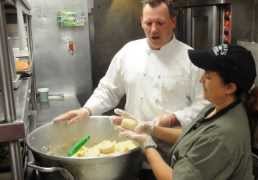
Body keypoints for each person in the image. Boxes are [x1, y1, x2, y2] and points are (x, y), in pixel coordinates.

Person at [54, 0, 208, 179]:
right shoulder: (129, 52)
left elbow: (204, 105)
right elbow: (108, 90)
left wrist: (174, 117)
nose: (153, 30)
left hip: (174, 152)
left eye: (160, 23)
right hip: (132, 149)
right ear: (141, 21)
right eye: (148, 23)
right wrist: (86, 110)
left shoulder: (190, 59)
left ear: (173, 21)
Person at [118, 44, 258, 180]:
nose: (201, 80)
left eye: (208, 76)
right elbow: (192, 136)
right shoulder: (216, 107)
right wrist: (151, 129)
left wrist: (148, 145)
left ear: (229, 88)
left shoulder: (221, 135)